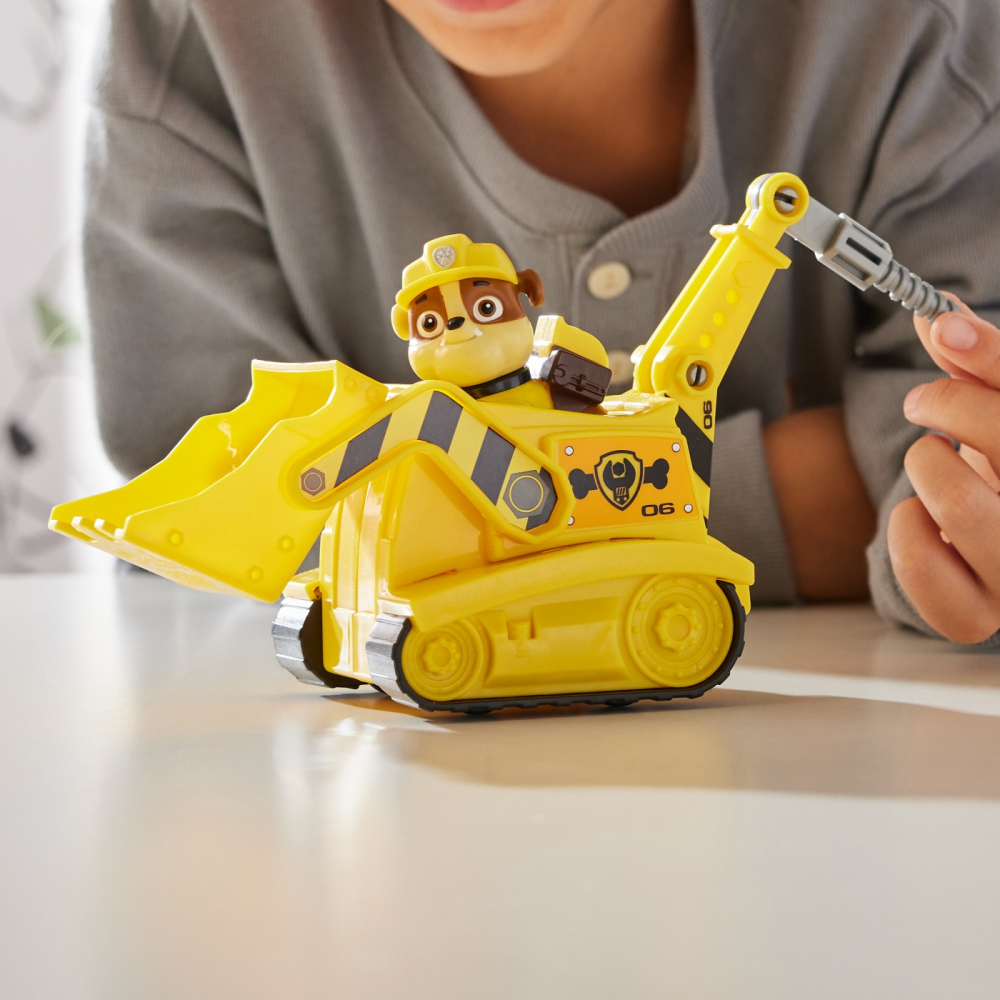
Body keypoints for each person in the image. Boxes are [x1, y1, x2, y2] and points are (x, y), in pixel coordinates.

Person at [83, 0, 1000, 644]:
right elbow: (217, 539)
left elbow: (956, 476)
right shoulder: (194, 41)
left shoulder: (925, 38)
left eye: (482, 310)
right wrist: (810, 496)